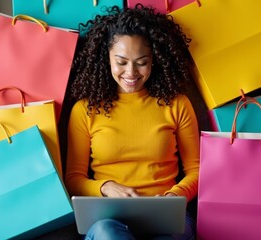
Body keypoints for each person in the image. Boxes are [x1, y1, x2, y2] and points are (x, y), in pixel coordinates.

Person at [64, 4, 200, 240]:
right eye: (121, 61)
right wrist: (105, 187)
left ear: (154, 60)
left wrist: (173, 197)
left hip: (165, 216)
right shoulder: (85, 110)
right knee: (107, 233)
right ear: (106, 57)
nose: (131, 72)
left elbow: (197, 171)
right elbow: (74, 178)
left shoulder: (177, 104)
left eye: (141, 62)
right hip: (109, 218)